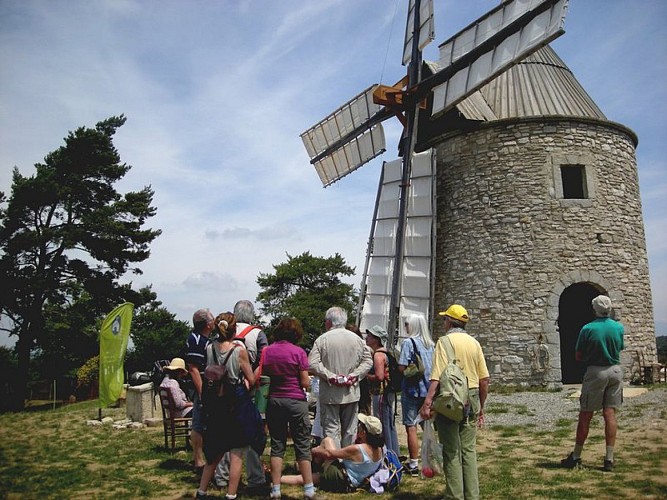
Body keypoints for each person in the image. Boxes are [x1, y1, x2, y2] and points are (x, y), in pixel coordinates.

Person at [420, 304, 489, 500]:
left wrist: (428, 402)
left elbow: (436, 376)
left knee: (451, 449)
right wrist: (481, 407)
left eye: (444, 319)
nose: (443, 322)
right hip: (473, 395)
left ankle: (454, 495)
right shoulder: (474, 343)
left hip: (451, 398)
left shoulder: (444, 342)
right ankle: (472, 495)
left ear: (450, 321)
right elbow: (484, 379)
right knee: (468, 450)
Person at [195, 312, 259, 500]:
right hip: (235, 402)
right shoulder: (239, 351)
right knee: (237, 452)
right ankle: (231, 494)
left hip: (216, 404)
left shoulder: (209, 348)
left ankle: (201, 491)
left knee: (215, 451)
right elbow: (251, 378)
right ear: (233, 330)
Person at [561, 295, 625, 472]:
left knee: (586, 414)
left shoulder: (588, 328)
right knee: (610, 413)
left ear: (594, 309)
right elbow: (620, 348)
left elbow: (578, 355)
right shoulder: (618, 327)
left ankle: (576, 456)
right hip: (615, 371)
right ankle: (609, 459)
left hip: (596, 371)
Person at [215, 300, 269, 495]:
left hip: (224, 393)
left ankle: (221, 476)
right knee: (253, 434)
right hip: (249, 391)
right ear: (252, 314)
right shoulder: (258, 333)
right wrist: (251, 382)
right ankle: (256, 478)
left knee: (225, 434)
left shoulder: (224, 329)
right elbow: (263, 361)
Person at [260, 318, 315, 500]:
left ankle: (275, 489)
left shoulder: (267, 351)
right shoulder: (299, 352)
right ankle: (308, 489)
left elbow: (264, 374)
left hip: (275, 400)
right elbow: (305, 382)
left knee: (277, 444)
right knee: (302, 444)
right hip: (295, 400)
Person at [308, 306, 373, 448]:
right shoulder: (358, 340)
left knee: (331, 430)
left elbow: (312, 363)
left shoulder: (322, 340)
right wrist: (354, 376)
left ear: (329, 322)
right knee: (350, 429)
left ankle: (334, 462)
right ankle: (348, 461)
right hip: (351, 391)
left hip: (330, 392)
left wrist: (330, 376)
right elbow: (368, 361)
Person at [281, 413, 385, 493]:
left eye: (360, 426)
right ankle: (306, 467)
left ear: (364, 432)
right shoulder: (380, 450)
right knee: (327, 442)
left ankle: (277, 477)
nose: (358, 427)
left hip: (340, 478)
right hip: (353, 483)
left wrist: (313, 450)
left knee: (304, 479)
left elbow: (330, 454)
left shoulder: (358, 449)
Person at [398, 313, 435, 476]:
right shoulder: (431, 344)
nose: (405, 327)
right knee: (427, 426)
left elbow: (402, 367)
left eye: (407, 324)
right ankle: (431, 460)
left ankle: (413, 464)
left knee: (410, 426)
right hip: (427, 390)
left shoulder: (408, 342)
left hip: (412, 389)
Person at [185, 308, 215, 473]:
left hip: (208, 385)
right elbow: (194, 369)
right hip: (202, 388)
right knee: (198, 423)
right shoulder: (196, 340)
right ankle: (198, 460)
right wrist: (203, 393)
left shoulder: (205, 339)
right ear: (208, 324)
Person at [364, 325, 400, 457]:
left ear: (376, 339)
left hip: (380, 393)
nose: (366, 338)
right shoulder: (386, 352)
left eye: (370, 336)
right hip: (388, 392)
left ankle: (388, 454)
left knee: (383, 423)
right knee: (390, 423)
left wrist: (366, 376)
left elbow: (379, 376)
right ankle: (394, 452)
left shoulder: (378, 355)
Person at [348, 324, 372, 415]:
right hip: (360, 379)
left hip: (360, 381)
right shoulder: (365, 347)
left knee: (361, 409)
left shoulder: (363, 347)